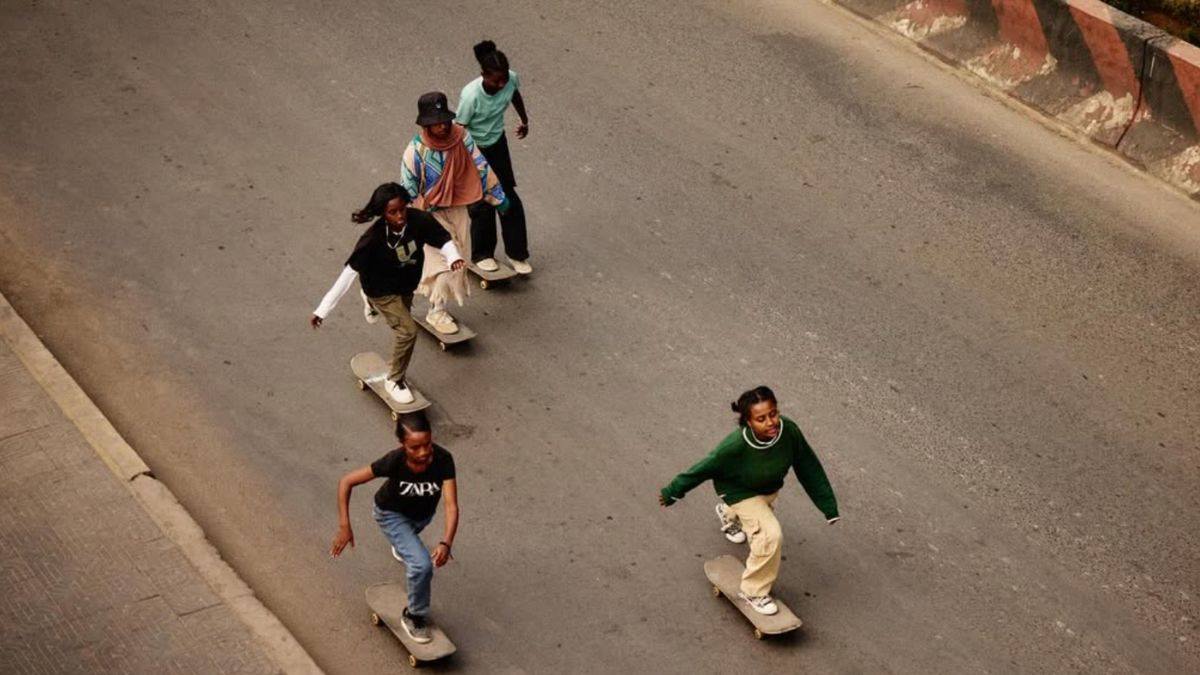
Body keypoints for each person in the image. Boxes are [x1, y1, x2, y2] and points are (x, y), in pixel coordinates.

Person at [658, 386, 839, 615]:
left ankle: (729, 515)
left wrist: (828, 506)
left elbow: (808, 466)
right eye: (761, 419)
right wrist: (673, 491)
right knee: (769, 535)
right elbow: (703, 468)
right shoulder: (735, 445)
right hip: (737, 491)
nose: (770, 422)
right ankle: (753, 592)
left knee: (759, 513)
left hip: (767, 488)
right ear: (748, 422)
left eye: (773, 414)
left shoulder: (789, 431)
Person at [311, 183, 465, 404]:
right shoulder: (372, 239)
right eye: (393, 212)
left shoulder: (418, 220)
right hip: (380, 289)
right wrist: (322, 310)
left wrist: (453, 257)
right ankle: (394, 380)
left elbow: (442, 239)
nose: (400, 216)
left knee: (403, 326)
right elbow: (347, 275)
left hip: (406, 285)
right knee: (407, 332)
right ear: (383, 213)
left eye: (402, 209)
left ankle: (370, 305)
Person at [330, 410, 459, 644]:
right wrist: (344, 526)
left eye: (427, 444)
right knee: (421, 566)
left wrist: (446, 542)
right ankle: (413, 616)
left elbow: (451, 505)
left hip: (422, 517)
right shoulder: (394, 461)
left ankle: (403, 546)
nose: (423, 453)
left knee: (411, 543)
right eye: (414, 447)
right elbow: (346, 482)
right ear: (402, 445)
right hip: (391, 515)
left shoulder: (443, 459)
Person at [401, 91, 508, 334]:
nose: (442, 126)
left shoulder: (462, 138)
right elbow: (408, 190)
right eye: (436, 123)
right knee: (444, 263)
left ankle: (433, 302)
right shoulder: (415, 152)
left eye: (444, 121)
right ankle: (436, 311)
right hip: (428, 215)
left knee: (458, 259)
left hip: (458, 209)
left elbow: (481, 167)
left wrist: (497, 196)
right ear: (426, 125)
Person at [457, 40, 533, 275]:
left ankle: (517, 253)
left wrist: (524, 120)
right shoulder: (471, 96)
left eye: (504, 80)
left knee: (508, 197)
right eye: (495, 81)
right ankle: (482, 254)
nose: (501, 85)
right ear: (483, 75)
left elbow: (514, 94)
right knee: (482, 201)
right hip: (473, 149)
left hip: (497, 143)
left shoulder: (510, 79)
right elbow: (459, 129)